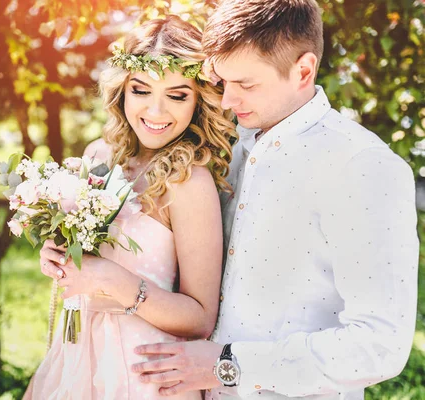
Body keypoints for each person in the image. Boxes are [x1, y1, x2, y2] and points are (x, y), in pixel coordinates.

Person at [132, 1, 419, 399]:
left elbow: (379, 345)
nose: (228, 101)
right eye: (222, 82)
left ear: (304, 70)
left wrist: (226, 365)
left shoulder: (363, 168)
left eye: (246, 85)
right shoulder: (225, 148)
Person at [24, 15, 238, 399]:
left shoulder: (188, 181)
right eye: (141, 91)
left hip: (143, 368)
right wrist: (57, 254)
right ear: (122, 91)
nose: (156, 113)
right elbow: (83, 256)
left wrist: (110, 279)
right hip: (76, 350)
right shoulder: (98, 156)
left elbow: (201, 318)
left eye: (176, 95)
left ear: (198, 100)